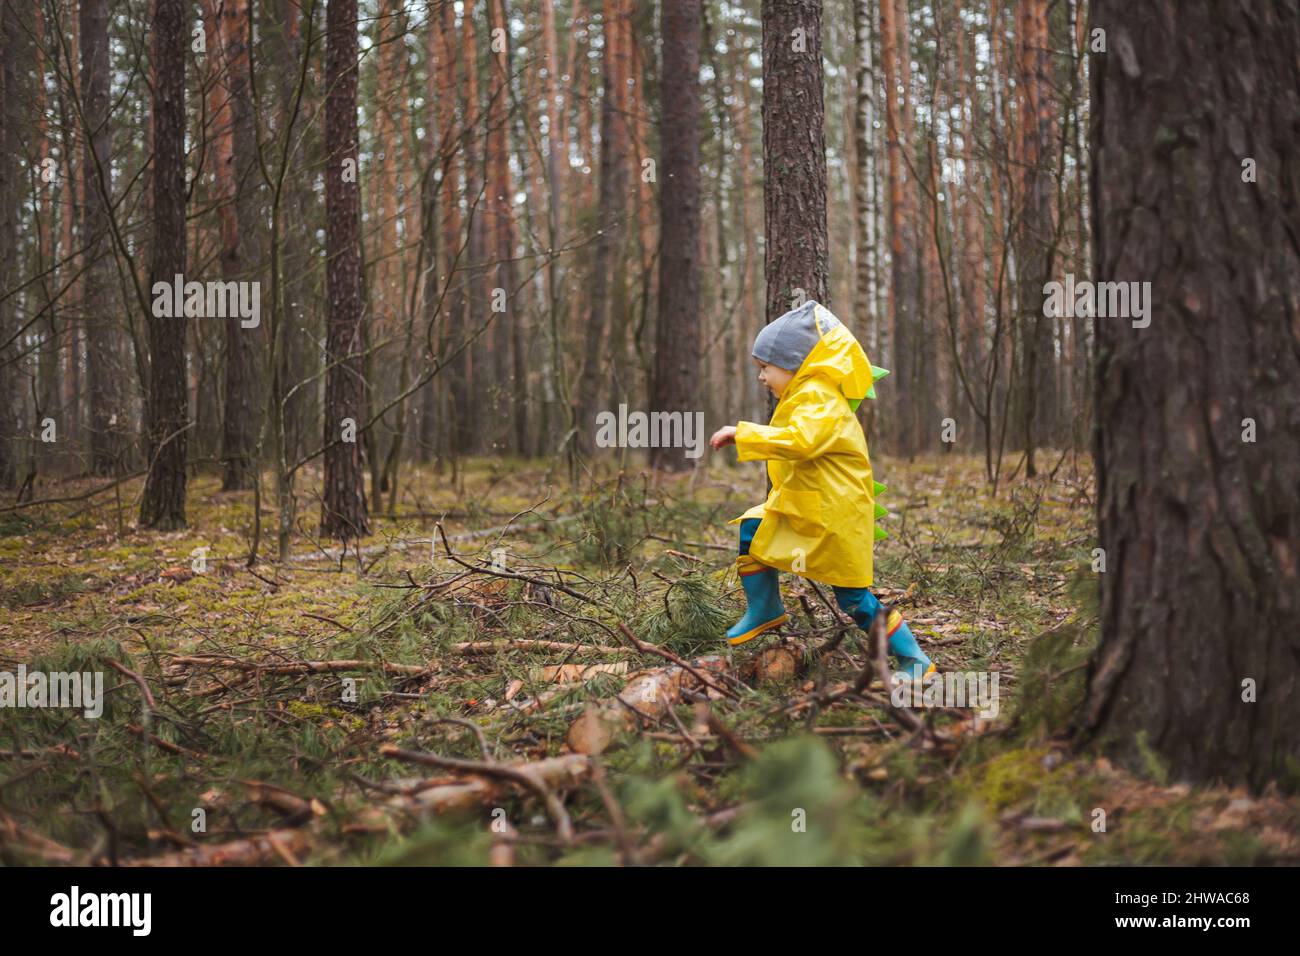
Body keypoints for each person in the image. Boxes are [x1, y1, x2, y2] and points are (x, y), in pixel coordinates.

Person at [709, 300, 935, 682]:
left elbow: (801, 441)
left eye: (766, 368)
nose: (762, 377)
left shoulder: (818, 394)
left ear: (794, 364)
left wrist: (742, 433)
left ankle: (916, 660)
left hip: (837, 517)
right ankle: (765, 609)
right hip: (811, 510)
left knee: (855, 600)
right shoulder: (804, 393)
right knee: (753, 527)